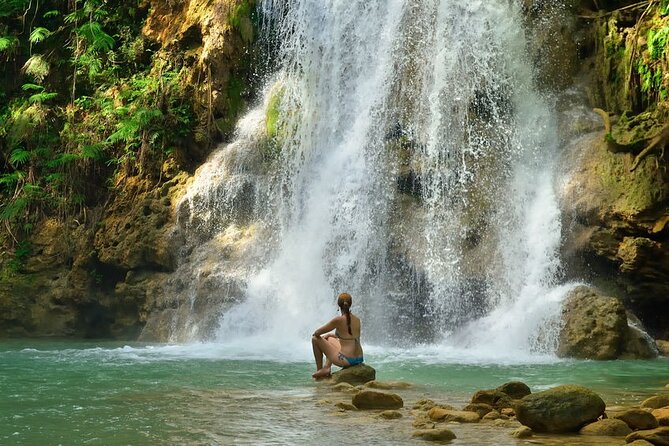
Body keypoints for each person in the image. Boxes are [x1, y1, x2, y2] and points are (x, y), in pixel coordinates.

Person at [311, 292, 364, 379]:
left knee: (315, 339)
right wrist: (329, 335)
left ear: (339, 305)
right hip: (359, 358)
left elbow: (316, 333)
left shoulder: (338, 320)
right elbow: (349, 338)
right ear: (350, 304)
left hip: (346, 359)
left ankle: (320, 371)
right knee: (330, 338)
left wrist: (323, 336)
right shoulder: (357, 319)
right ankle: (327, 368)